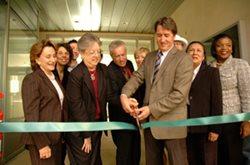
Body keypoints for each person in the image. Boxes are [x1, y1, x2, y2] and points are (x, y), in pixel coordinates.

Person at [120, 16, 193, 165]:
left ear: (173, 36)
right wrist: (124, 95)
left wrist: (151, 109)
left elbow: (179, 95)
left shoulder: (184, 59)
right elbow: (136, 78)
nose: (163, 39)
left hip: (173, 125)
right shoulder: (150, 57)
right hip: (151, 126)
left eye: (167, 35)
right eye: (159, 35)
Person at [65, 33, 110, 164]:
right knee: (84, 160)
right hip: (80, 129)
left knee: (95, 160)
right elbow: (76, 106)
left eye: (98, 51)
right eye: (92, 52)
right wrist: (86, 134)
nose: (96, 55)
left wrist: (125, 100)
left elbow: (109, 94)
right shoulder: (76, 75)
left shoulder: (103, 69)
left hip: (96, 125)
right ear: (82, 53)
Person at [21, 40, 65, 165]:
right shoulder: (32, 79)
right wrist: (42, 144)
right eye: (48, 56)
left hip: (55, 137)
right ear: (37, 60)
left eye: (54, 56)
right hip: (40, 140)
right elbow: (31, 116)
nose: (53, 59)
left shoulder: (53, 77)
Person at [210, 34, 250, 165]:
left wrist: (247, 120)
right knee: (219, 157)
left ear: (232, 49)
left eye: (228, 45)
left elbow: (247, 93)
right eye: (219, 45)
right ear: (214, 49)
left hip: (234, 120)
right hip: (214, 121)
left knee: (234, 157)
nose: (224, 48)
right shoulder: (209, 67)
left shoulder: (240, 64)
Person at [186, 41, 222, 165]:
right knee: (191, 161)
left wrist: (215, 128)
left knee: (207, 161)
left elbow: (217, 101)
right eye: (191, 50)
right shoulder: (182, 74)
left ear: (203, 56)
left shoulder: (212, 72)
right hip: (186, 128)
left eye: (198, 50)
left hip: (206, 129)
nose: (194, 53)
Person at [107, 40, 141, 165]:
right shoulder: (109, 71)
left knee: (135, 149)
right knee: (124, 153)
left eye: (123, 54)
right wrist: (126, 102)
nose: (122, 59)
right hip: (120, 117)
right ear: (112, 56)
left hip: (133, 116)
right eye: (118, 56)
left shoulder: (130, 64)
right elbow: (111, 97)